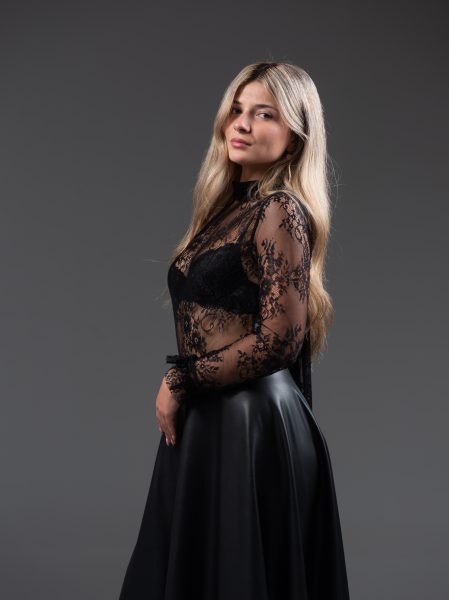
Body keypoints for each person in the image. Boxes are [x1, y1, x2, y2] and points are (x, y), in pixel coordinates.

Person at [118, 61, 350, 600]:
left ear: (296, 136)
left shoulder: (279, 210)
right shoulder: (228, 211)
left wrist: (180, 379)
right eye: (237, 110)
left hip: (251, 424)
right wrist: (190, 387)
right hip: (214, 421)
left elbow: (280, 339)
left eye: (264, 114)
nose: (241, 124)